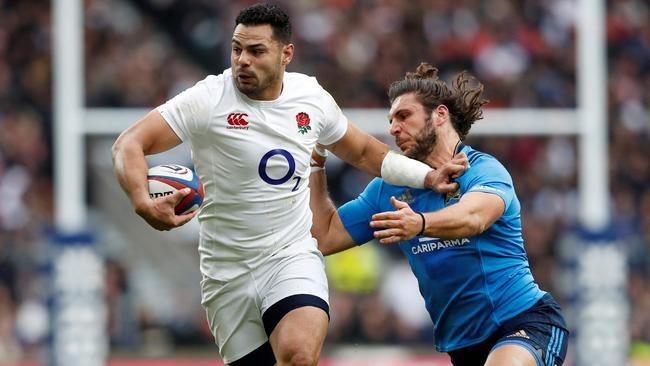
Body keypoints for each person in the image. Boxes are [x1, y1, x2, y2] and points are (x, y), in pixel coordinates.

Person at [111, 4, 465, 366]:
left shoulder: (310, 99)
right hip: (225, 272)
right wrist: (140, 199)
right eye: (237, 49)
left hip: (289, 257)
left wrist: (425, 176)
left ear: (286, 54)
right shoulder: (208, 98)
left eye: (256, 51)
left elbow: (362, 151)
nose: (242, 60)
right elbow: (129, 144)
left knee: (298, 354)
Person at [309, 63, 569, 366]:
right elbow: (324, 236)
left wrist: (419, 223)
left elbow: (473, 218)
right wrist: (316, 164)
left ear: (440, 115)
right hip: (463, 348)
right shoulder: (387, 190)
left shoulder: (483, 170)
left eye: (404, 116)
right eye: (391, 120)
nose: (394, 128)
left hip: (523, 323)